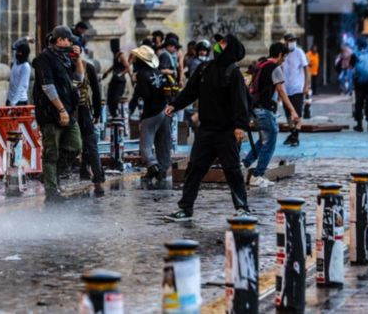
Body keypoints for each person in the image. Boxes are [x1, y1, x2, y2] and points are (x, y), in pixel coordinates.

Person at [164, 34, 251, 222]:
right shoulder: (205, 68)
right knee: (195, 168)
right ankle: (185, 209)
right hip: (206, 130)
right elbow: (190, 91)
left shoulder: (233, 72)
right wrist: (175, 104)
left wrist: (239, 126)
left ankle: (242, 208)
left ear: (230, 49)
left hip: (227, 131)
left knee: (232, 170)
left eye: (223, 43)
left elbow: (240, 102)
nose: (218, 45)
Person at [32, 25, 84, 203]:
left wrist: (78, 59)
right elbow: (47, 86)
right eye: (68, 40)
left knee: (75, 145)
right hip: (50, 113)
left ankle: (49, 175)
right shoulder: (43, 59)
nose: (70, 43)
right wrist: (60, 109)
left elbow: (79, 79)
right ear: (60, 39)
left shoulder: (66, 59)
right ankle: (51, 191)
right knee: (51, 152)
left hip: (68, 111)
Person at [241, 43, 300, 188]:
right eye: (284, 56)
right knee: (271, 139)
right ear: (280, 54)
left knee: (263, 139)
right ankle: (257, 175)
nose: (284, 60)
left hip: (255, 108)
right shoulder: (275, 68)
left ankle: (244, 164)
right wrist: (292, 110)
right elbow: (281, 91)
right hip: (264, 109)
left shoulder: (261, 64)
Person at [129, 45, 173, 189]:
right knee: (163, 142)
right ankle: (162, 169)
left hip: (151, 112)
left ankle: (153, 166)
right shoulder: (158, 72)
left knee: (146, 144)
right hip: (165, 110)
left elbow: (144, 94)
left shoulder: (141, 74)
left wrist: (136, 84)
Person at [73, 38, 106, 196]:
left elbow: (96, 92)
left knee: (90, 144)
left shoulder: (86, 67)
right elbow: (97, 92)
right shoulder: (67, 66)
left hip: (79, 110)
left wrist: (98, 112)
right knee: (89, 144)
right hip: (78, 110)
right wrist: (98, 112)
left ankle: (97, 178)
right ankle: (95, 178)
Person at [280, 33, 309, 147]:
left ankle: (295, 135)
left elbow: (306, 69)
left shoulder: (299, 52)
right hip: (285, 88)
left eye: (294, 40)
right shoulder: (283, 54)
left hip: (297, 87)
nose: (292, 42)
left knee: (297, 113)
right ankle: (293, 134)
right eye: (290, 40)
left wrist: (306, 85)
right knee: (288, 114)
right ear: (286, 41)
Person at [349, 37, 368, 134]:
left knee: (359, 103)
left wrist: (352, 81)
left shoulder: (355, 54)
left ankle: (359, 125)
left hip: (359, 82)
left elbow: (351, 67)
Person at [102, 38, 131, 118]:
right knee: (110, 97)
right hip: (114, 79)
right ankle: (112, 115)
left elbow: (127, 67)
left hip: (120, 81)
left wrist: (120, 74)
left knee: (115, 98)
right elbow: (114, 66)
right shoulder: (115, 55)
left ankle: (116, 115)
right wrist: (107, 72)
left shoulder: (121, 55)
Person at [7, 41, 31, 106]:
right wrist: (26, 39)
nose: (18, 54)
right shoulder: (16, 62)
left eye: (20, 52)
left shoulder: (25, 66)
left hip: (19, 101)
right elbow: (14, 45)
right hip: (10, 98)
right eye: (18, 52)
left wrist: (14, 102)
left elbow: (22, 85)